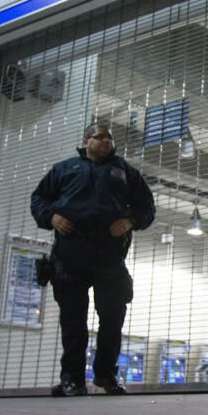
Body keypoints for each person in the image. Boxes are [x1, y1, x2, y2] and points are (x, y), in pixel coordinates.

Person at [30, 121, 154, 396]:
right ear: (86, 141)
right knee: (73, 320)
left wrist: (130, 220)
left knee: (112, 318)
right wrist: (52, 217)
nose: (107, 141)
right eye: (100, 137)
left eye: (110, 137)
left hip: (110, 255)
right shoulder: (64, 170)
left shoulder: (125, 172)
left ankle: (106, 377)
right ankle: (72, 380)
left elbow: (147, 207)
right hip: (71, 253)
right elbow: (38, 199)